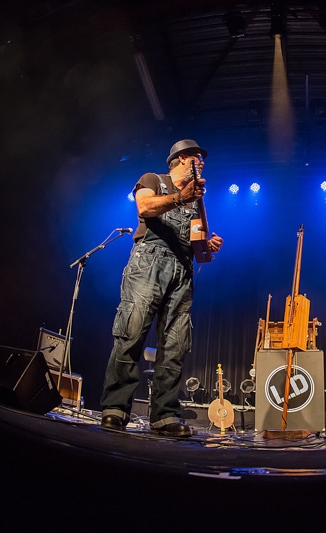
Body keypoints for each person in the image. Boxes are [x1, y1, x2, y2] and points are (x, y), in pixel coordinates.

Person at [99, 139, 224, 437]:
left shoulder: (196, 202)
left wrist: (207, 245)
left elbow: (196, 245)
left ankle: (164, 416)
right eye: (196, 157)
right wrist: (181, 197)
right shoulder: (153, 180)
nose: (201, 162)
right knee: (131, 332)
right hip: (149, 262)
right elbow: (145, 207)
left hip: (182, 269)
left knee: (175, 344)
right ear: (181, 159)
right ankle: (115, 408)